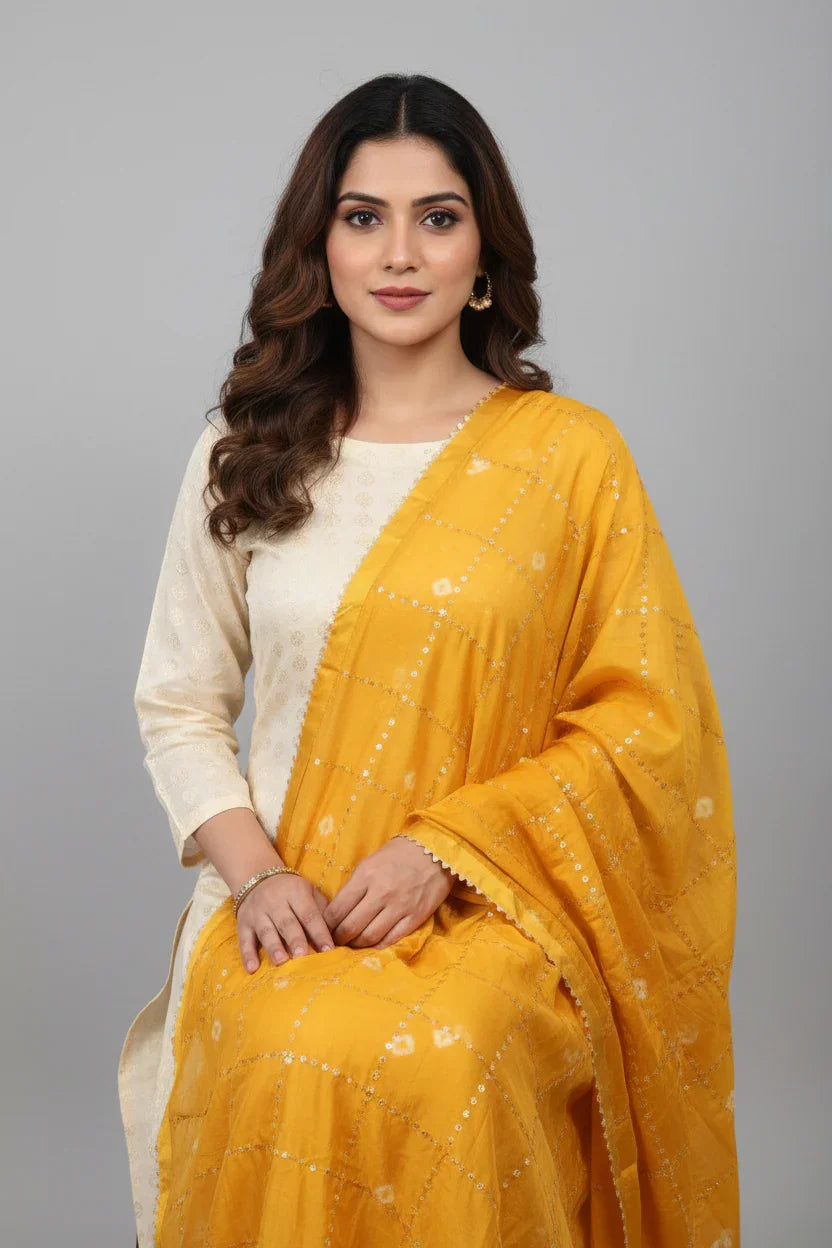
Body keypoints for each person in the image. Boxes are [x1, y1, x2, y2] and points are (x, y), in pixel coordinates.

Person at [118, 72, 740, 1247]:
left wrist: (447, 852)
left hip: (500, 907)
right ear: (321, 250)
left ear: (483, 255)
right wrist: (261, 881)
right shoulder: (243, 454)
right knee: (289, 1045)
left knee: (456, 1053)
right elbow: (179, 707)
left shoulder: (569, 457)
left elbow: (644, 726)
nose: (399, 253)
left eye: (437, 217)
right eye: (364, 217)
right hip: (287, 899)